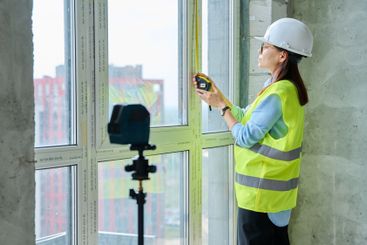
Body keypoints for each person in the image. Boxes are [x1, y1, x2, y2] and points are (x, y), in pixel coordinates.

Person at [193, 18, 313, 245]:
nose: (260, 51)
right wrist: (217, 95)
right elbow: (244, 117)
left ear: (282, 55)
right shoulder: (281, 88)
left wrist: (221, 107)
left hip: (260, 198)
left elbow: (245, 136)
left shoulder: (278, 92)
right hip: (275, 199)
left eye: (266, 46)